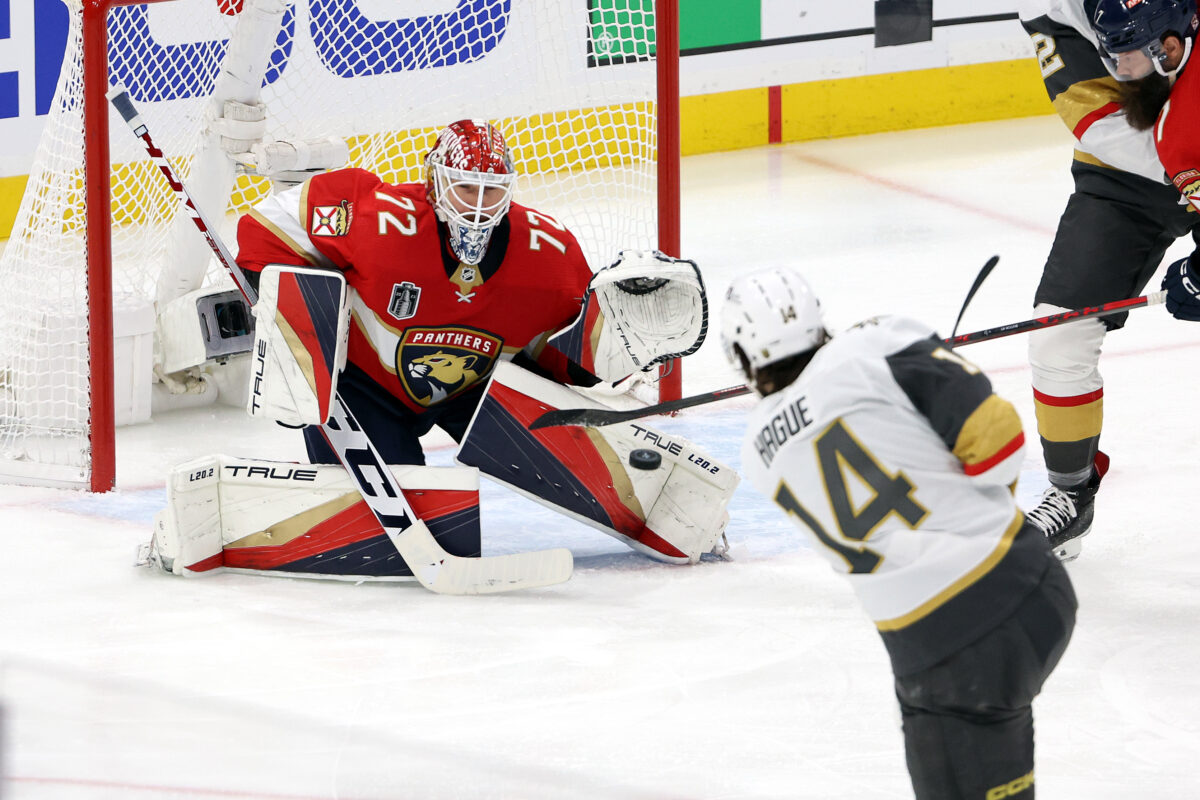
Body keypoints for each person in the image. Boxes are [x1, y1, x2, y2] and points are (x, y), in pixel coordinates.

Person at [721, 267, 1076, 800]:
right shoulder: (874, 343)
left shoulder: (757, 452)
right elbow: (998, 443)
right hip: (1011, 593)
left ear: (742, 358)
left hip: (948, 648)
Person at [236, 119, 639, 466]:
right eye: (465, 188)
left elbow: (569, 356)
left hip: (477, 392)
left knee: (580, 461)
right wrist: (291, 349)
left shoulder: (551, 251)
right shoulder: (377, 218)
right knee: (404, 509)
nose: (479, 206)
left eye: (492, 190)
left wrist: (628, 342)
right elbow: (268, 230)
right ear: (435, 182)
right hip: (363, 389)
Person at [1018, 0, 1200, 561]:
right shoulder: (1048, 4)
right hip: (1130, 174)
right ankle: (1072, 492)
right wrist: (1189, 171)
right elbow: (1101, 120)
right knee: (1058, 334)